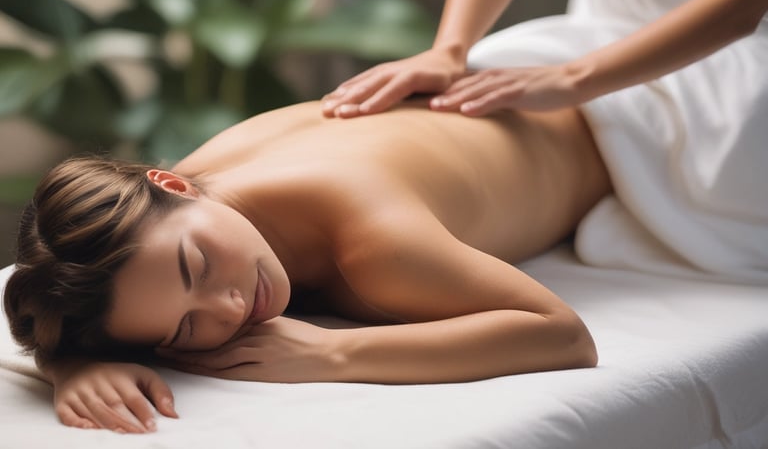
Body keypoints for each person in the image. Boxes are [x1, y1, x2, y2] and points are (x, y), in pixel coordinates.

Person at [4, 100, 610, 434]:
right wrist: (69, 362)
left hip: (626, 133)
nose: (231, 308)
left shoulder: (372, 238)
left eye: (202, 266)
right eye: (185, 330)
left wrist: (332, 355)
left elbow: (564, 334)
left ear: (173, 184)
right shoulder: (163, 203)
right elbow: (62, 293)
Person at [323, 0, 768, 281]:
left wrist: (572, 79)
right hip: (594, 34)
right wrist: (449, 49)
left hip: (732, 70)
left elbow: (739, 4)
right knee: (472, 82)